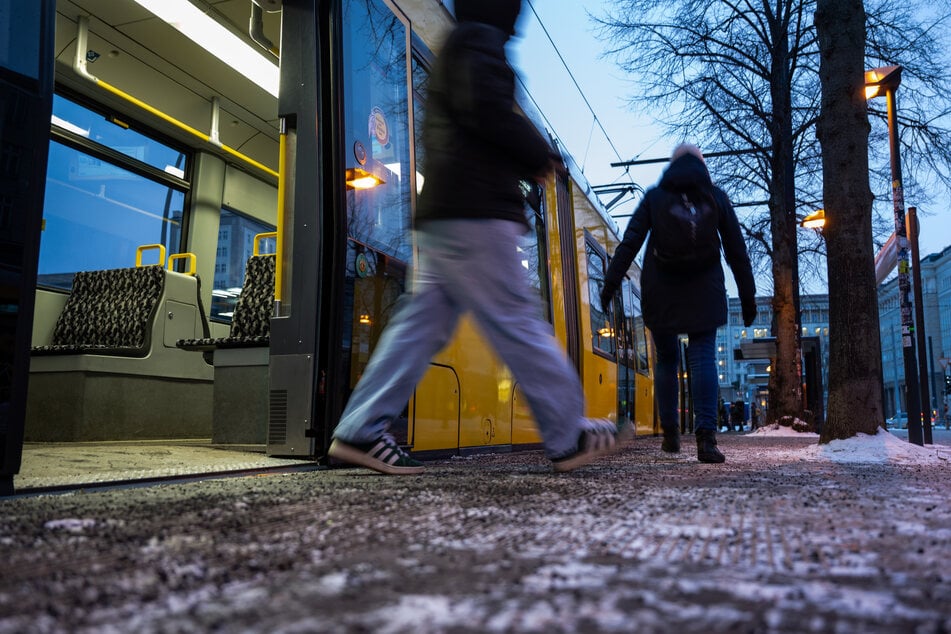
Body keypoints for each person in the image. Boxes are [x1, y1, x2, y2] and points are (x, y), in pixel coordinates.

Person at [328, 0, 628, 475]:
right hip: (476, 210)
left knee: (420, 325)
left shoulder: (461, 45)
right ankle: (569, 435)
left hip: (448, 211)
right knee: (516, 319)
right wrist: (539, 153)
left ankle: (360, 428)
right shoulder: (478, 44)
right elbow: (488, 112)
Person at [600, 143, 756, 463]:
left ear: (672, 165)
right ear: (702, 165)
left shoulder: (655, 197)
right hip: (706, 289)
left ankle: (671, 435)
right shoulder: (716, 196)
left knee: (667, 360)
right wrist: (747, 298)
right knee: (703, 358)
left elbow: (630, 243)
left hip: (662, 289)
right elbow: (737, 251)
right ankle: (706, 441)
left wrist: (609, 285)